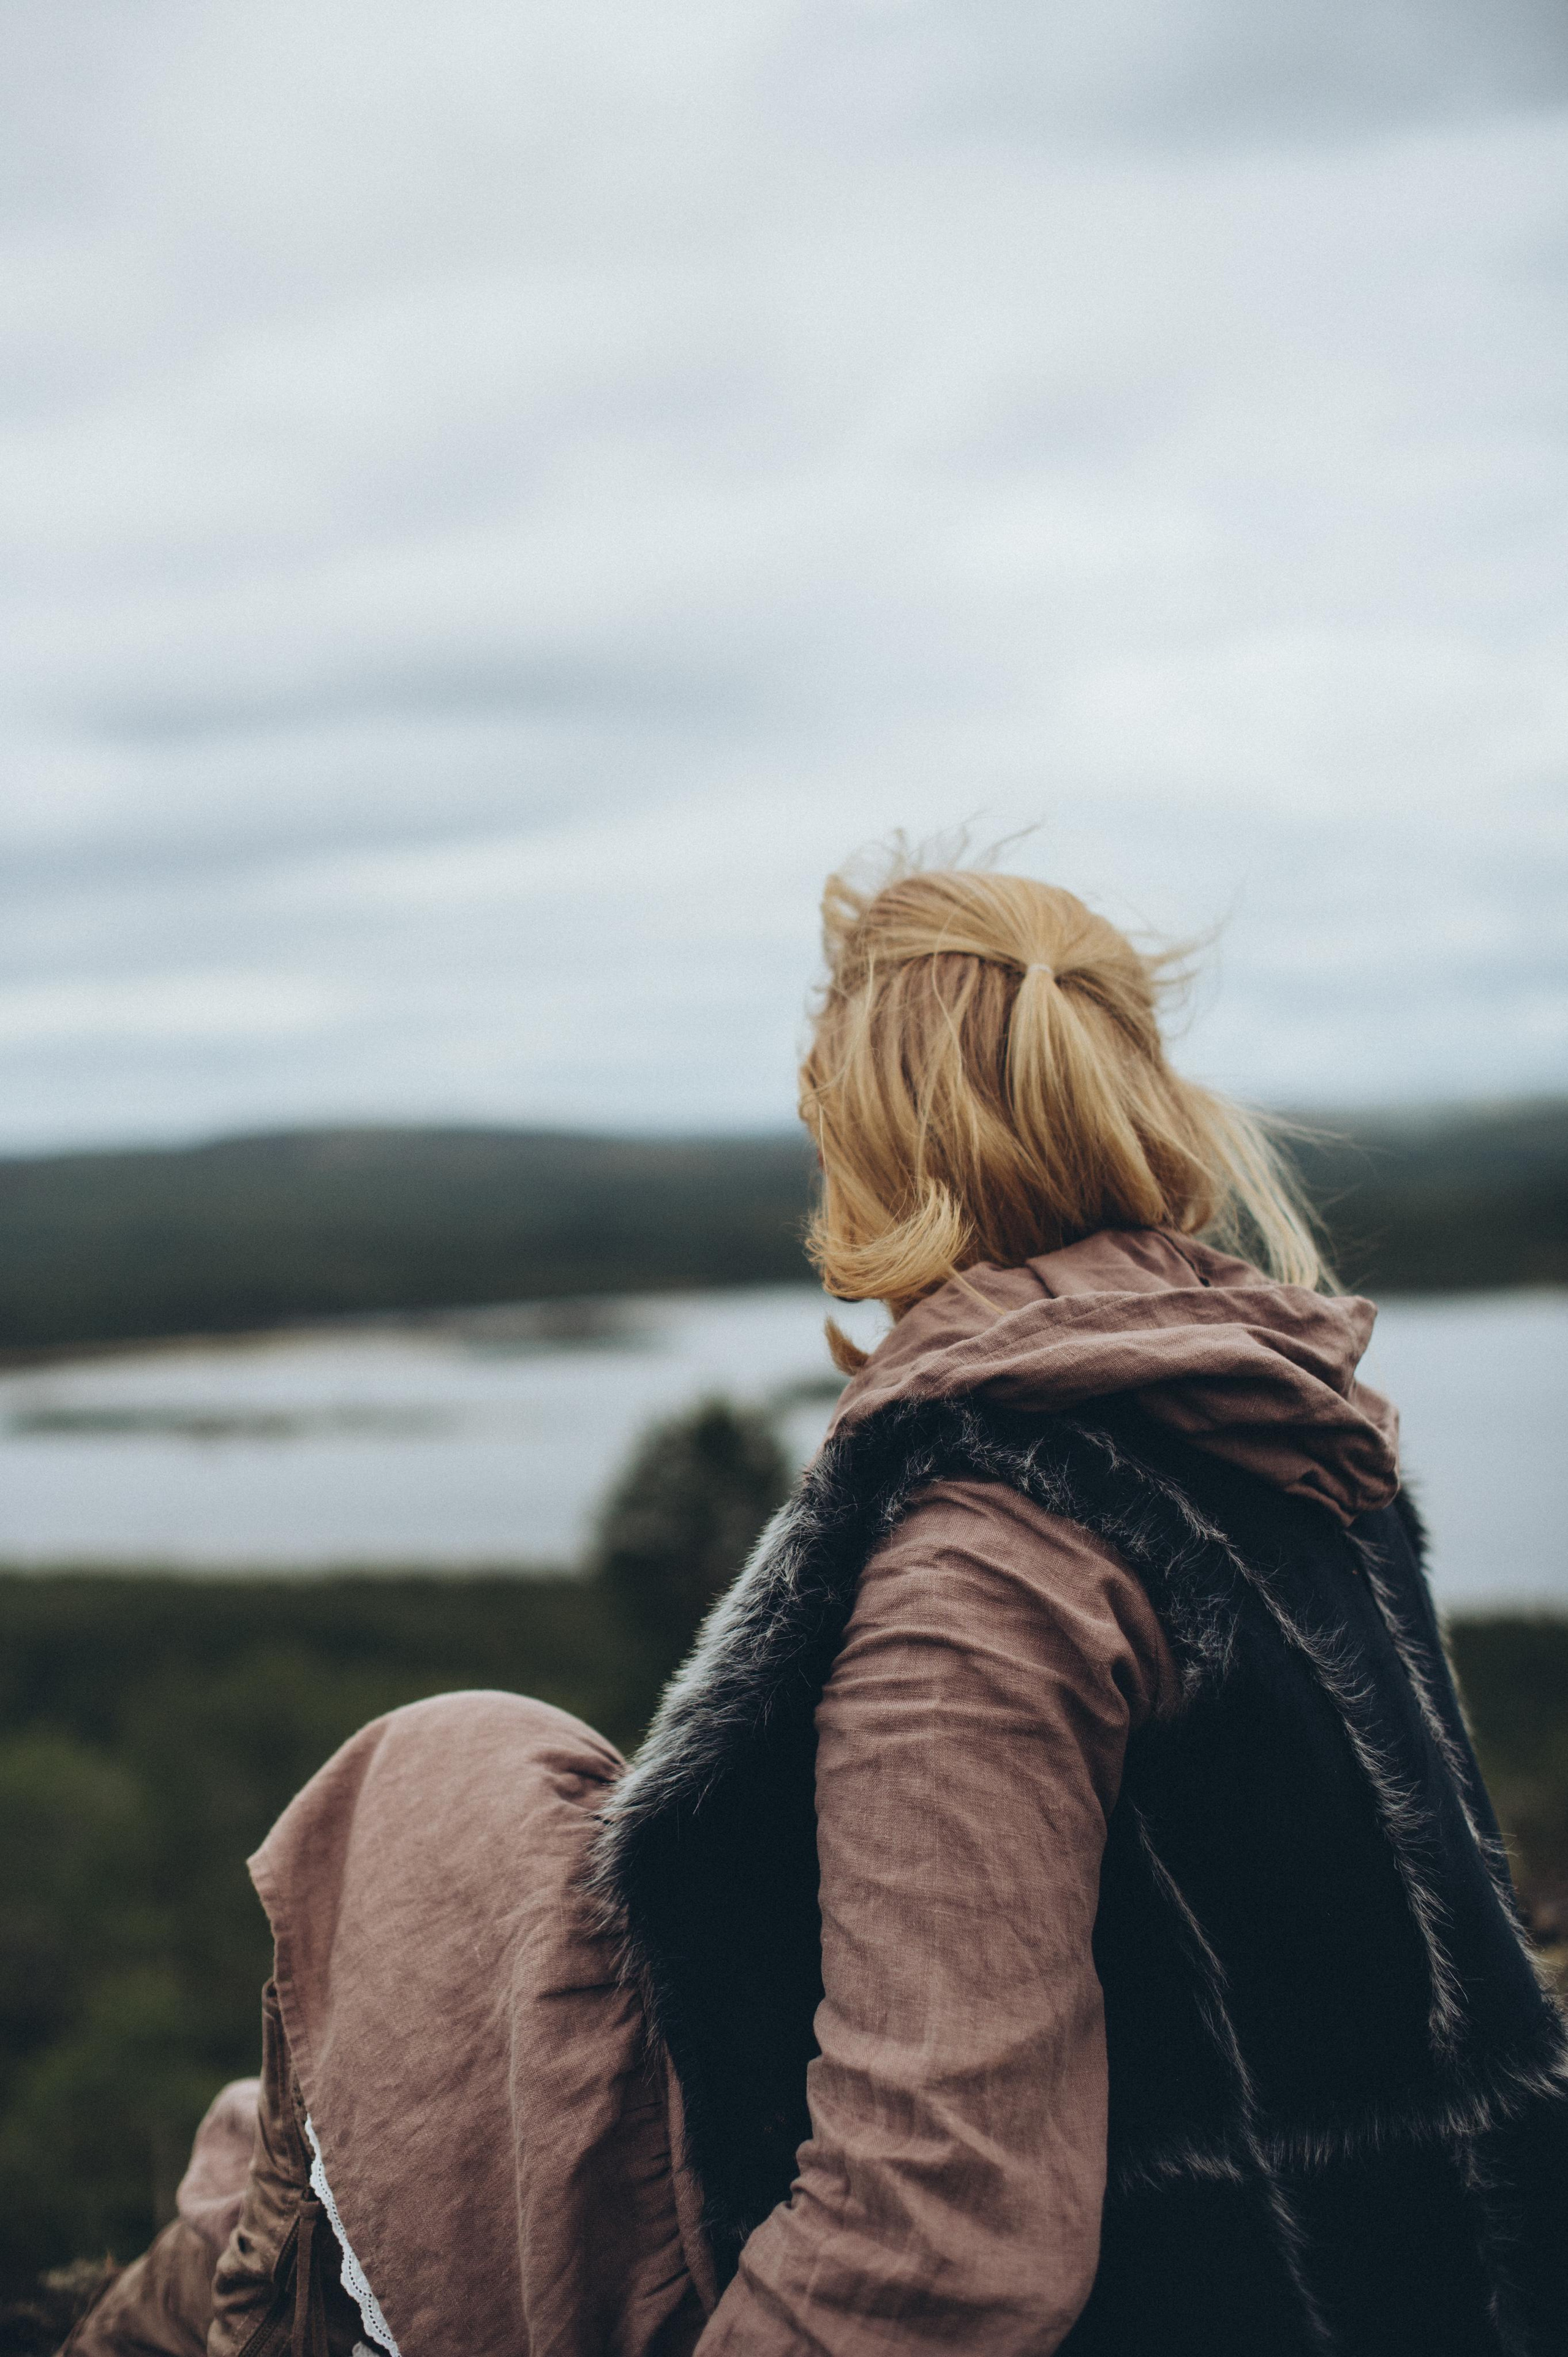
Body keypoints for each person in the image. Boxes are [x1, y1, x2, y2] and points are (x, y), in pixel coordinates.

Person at [62, 858, 1568, 2357]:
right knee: (296, 2100)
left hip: (1190, 2290)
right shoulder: (1277, 1423)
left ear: (861, 1142)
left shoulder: (981, 1574)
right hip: (1427, 2266)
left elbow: (930, 2238)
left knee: (438, 1781)